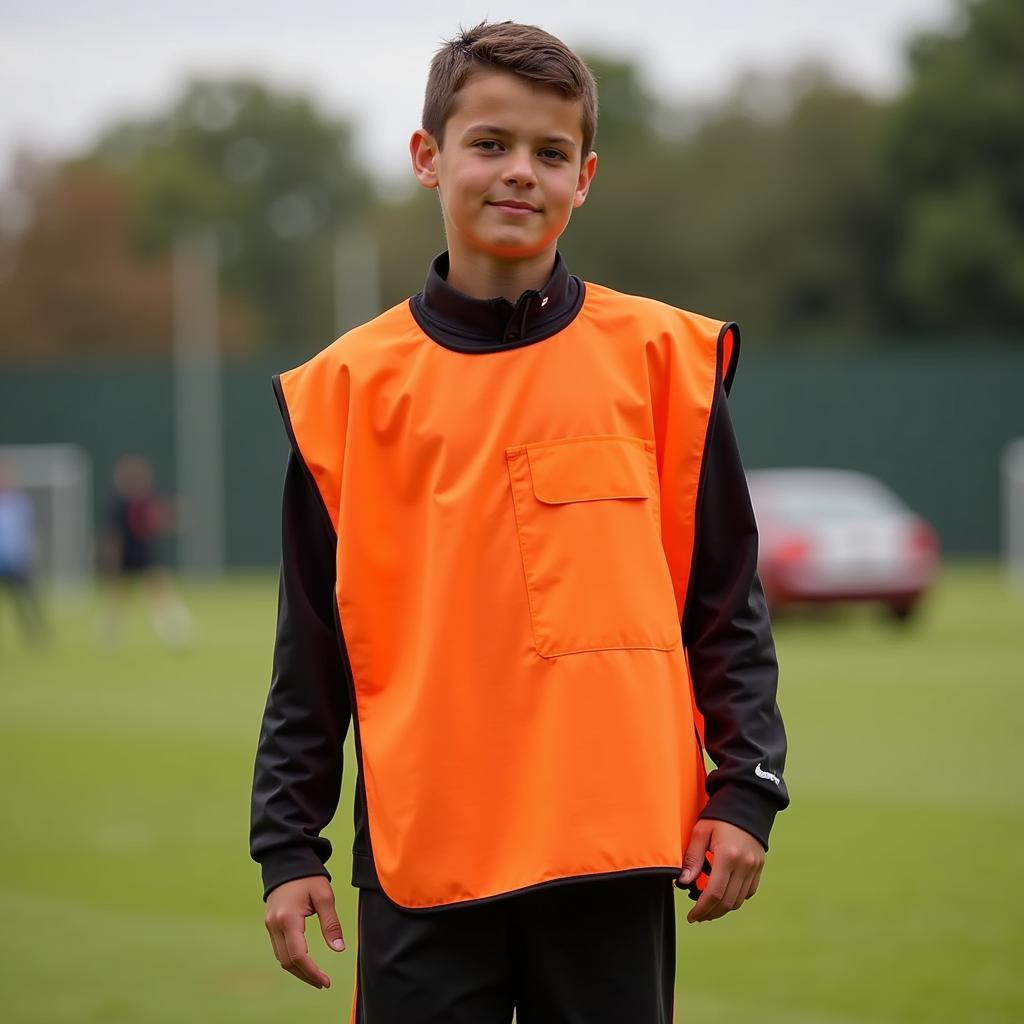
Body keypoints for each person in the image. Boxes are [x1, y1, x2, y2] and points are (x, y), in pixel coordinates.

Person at [249, 20, 789, 1023]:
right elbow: (314, 651)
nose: (518, 174)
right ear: (428, 158)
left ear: (584, 177)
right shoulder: (346, 391)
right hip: (425, 858)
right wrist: (288, 845)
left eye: (549, 153)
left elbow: (725, 605)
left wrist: (744, 787)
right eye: (489, 143)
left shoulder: (666, 361)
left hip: (614, 851)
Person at [97, 454, 195, 648]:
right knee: (118, 597)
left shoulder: (148, 499)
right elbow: (113, 534)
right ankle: (108, 634)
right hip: (126, 555)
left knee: (159, 594)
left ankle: (174, 632)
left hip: (145, 554)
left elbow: (156, 522)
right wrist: (111, 558)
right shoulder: (119, 504)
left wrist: (172, 518)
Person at [0, 461, 48, 645]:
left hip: (15, 558)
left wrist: (31, 552)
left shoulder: (20, 502)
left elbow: (29, 529)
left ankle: (37, 633)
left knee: (27, 598)